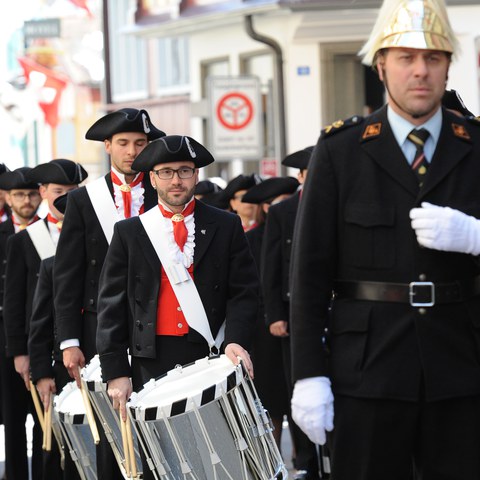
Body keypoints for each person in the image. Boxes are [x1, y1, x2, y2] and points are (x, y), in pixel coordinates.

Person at [289, 0, 480, 479]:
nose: (421, 71)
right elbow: (309, 275)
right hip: (368, 372)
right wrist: (308, 374)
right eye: (406, 58)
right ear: (381, 66)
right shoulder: (340, 152)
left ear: (448, 66)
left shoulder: (475, 147)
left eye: (433, 58)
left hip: (462, 366)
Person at [96, 135, 259, 480]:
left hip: (210, 352)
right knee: (164, 457)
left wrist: (237, 340)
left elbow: (244, 292)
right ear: (152, 178)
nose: (176, 180)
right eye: (166, 172)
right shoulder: (129, 232)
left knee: (219, 452)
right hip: (152, 357)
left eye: (184, 171)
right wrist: (116, 372)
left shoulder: (226, 224)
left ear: (196, 176)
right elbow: (110, 306)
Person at [53, 107, 165, 479]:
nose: (132, 151)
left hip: (155, 325)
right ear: (107, 146)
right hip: (99, 327)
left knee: (157, 425)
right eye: (123, 143)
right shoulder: (85, 201)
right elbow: (66, 277)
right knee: (109, 431)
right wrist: (69, 339)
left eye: (140, 143)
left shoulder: (164, 192)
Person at [3, 160, 87, 480]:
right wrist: (22, 354)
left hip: (84, 343)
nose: (67, 197)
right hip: (45, 348)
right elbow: (14, 304)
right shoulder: (24, 240)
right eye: (58, 192)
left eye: (73, 192)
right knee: (47, 433)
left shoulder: (94, 233)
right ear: (42, 193)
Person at [261, 148, 325, 480]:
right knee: (299, 386)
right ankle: (306, 461)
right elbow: (270, 268)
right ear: (300, 177)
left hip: (333, 312)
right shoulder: (283, 211)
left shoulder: (336, 203)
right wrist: (275, 315)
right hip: (292, 313)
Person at [241, 176, 299, 450]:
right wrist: (272, 316)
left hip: (299, 324)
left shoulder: (304, 228)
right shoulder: (252, 239)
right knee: (272, 399)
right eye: (279, 203)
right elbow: (259, 282)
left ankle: (306, 461)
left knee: (299, 394)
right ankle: (273, 455)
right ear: (266, 208)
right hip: (266, 328)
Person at [28, 193, 81, 480]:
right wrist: (42, 373)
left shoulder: (114, 257)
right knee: (65, 452)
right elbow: (40, 324)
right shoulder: (52, 264)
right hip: (62, 371)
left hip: (105, 369)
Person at [0, 167, 42, 480]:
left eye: (30, 194)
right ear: (8, 198)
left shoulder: (49, 232)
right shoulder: (2, 234)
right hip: (5, 339)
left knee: (44, 417)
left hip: (41, 337)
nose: (25, 201)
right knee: (11, 416)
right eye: (18, 195)